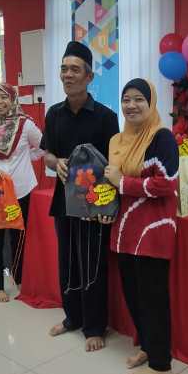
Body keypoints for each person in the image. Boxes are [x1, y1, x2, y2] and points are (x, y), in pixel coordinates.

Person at [42, 40, 119, 352]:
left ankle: (95, 326)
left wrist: (107, 204)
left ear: (89, 77)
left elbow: (113, 164)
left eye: (75, 69)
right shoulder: (54, 114)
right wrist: (56, 162)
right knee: (68, 262)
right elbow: (47, 153)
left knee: (92, 265)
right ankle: (72, 317)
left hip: (94, 204)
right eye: (64, 69)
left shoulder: (105, 117)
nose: (67, 75)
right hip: (63, 200)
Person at [104, 78, 179, 374]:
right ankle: (148, 347)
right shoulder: (118, 140)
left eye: (139, 99)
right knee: (133, 295)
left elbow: (166, 184)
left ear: (151, 103)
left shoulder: (162, 138)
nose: (131, 105)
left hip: (152, 230)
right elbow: (109, 180)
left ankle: (161, 364)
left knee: (153, 298)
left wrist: (122, 182)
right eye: (126, 99)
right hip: (124, 230)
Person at [0, 83, 43, 302]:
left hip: (21, 190)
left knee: (19, 236)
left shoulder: (25, 125)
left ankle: (19, 277)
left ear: (13, 100)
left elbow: (43, 146)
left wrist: (26, 159)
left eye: (4, 97)